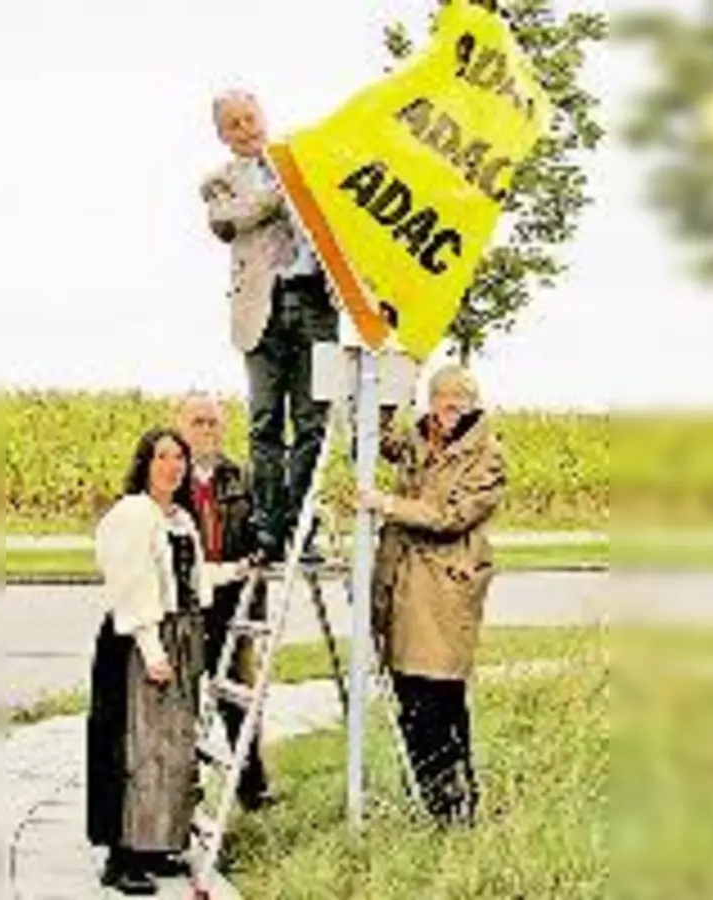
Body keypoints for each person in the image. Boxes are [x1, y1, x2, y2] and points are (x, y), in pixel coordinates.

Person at [86, 427, 251, 895]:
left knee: (170, 748)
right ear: (145, 463)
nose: (173, 466)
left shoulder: (178, 517)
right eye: (162, 457)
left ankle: (155, 846)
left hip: (181, 634)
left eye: (179, 457)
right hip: (141, 641)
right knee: (136, 747)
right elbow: (130, 582)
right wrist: (152, 649)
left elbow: (191, 578)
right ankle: (122, 858)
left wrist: (238, 569)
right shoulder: (134, 513)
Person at [359, 364, 507, 828]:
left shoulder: (487, 455)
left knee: (440, 696)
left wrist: (387, 504)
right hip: (402, 584)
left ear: (472, 402)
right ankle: (425, 796)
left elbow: (451, 516)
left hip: (444, 593)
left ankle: (456, 804)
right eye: (440, 398)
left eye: (457, 399)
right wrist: (385, 387)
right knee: (409, 696)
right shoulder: (418, 439)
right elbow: (373, 437)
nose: (448, 407)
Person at [200, 89, 337, 564]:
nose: (245, 130)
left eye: (250, 119)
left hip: (317, 303)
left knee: (313, 423)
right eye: (233, 124)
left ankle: (303, 528)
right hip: (262, 309)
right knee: (264, 424)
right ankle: (267, 530)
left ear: (264, 116)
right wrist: (282, 194)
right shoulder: (219, 181)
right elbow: (228, 220)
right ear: (222, 134)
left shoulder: (303, 159)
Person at [174, 391, 273, 810]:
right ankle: (182, 793)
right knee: (182, 700)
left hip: (233, 600)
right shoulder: (169, 476)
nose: (207, 430)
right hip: (185, 602)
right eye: (198, 422)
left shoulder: (241, 477)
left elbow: (263, 530)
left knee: (238, 695)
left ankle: (253, 787)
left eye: (213, 422)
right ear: (180, 427)